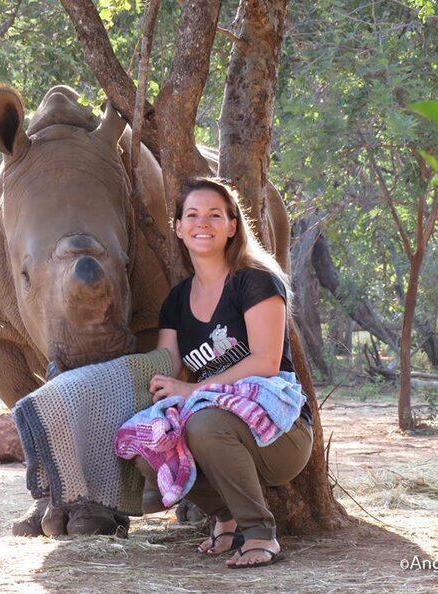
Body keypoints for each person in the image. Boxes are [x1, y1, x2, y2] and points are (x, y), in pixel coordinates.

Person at [146, 177, 313, 569]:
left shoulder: (256, 281)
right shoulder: (176, 301)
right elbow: (165, 368)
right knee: (148, 440)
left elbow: (266, 362)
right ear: (179, 228)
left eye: (215, 215)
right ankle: (226, 517)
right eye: (192, 215)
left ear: (232, 226)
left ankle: (260, 534)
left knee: (203, 423)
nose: (202, 223)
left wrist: (191, 389)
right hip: (218, 425)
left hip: (280, 431)